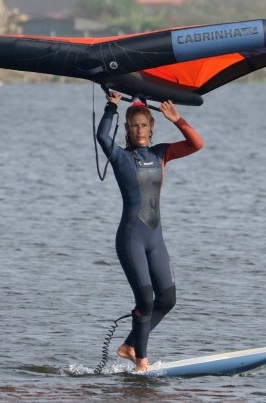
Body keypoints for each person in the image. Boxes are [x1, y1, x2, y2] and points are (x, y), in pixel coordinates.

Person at [97, 91, 204, 371]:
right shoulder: (121, 157)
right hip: (131, 238)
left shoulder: (161, 154)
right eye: (134, 126)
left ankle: (129, 345)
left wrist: (178, 119)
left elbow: (196, 144)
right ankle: (141, 363)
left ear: (151, 128)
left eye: (144, 125)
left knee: (167, 299)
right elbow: (102, 137)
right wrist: (111, 107)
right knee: (145, 300)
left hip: (155, 239)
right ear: (128, 130)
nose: (140, 130)